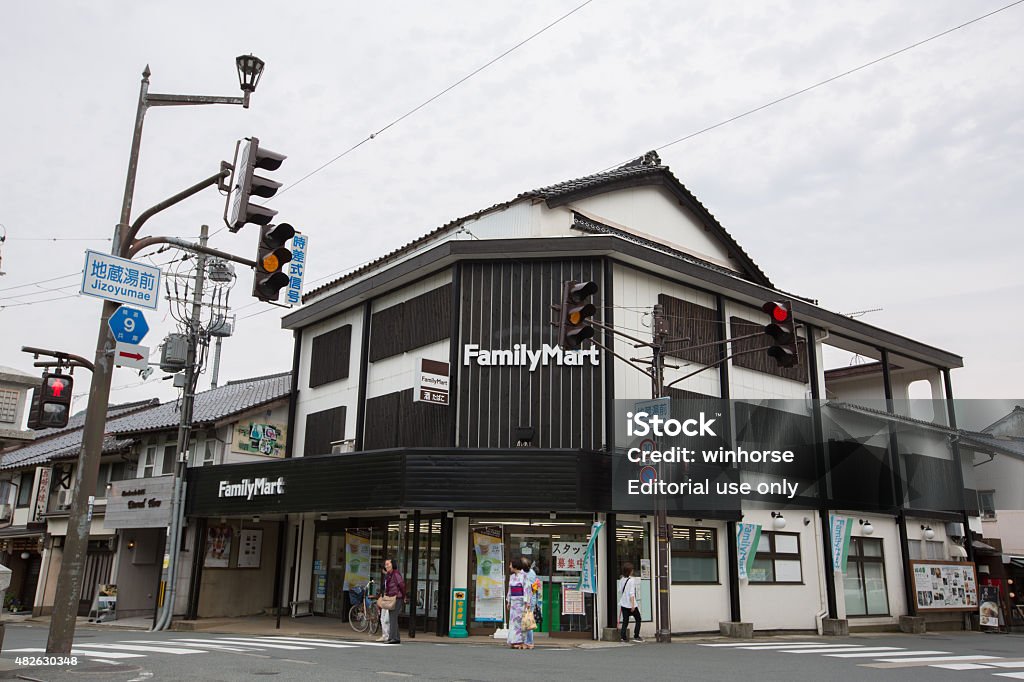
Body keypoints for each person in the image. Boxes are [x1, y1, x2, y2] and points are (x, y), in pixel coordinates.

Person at [506, 558, 529, 649]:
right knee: (512, 622)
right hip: (514, 602)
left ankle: (519, 641)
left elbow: (526, 589)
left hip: (520, 602)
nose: (509, 566)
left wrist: (527, 602)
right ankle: (513, 640)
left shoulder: (524, 576)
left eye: (511, 564)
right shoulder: (512, 577)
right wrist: (509, 601)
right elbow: (510, 589)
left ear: (515, 566)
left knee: (519, 622)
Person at [382, 558, 406, 644]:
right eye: (386, 564)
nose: (386, 566)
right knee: (393, 618)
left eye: (388, 564)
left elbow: (401, 585)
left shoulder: (395, 574)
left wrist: (403, 596)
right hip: (393, 598)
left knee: (393, 618)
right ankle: (396, 637)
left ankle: (393, 638)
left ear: (393, 565)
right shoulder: (389, 574)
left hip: (396, 598)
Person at [619, 562, 643, 643]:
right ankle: (636, 636)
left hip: (623, 603)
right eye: (631, 570)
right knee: (638, 619)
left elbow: (620, 591)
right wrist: (632, 605)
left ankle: (623, 637)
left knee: (625, 621)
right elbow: (631, 594)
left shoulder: (621, 580)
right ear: (629, 571)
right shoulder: (631, 580)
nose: (632, 571)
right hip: (630, 604)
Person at [521, 557, 539, 650]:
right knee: (528, 620)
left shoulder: (524, 574)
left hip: (528, 600)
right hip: (532, 599)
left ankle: (528, 642)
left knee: (527, 621)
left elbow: (526, 588)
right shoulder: (532, 572)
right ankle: (528, 642)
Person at [378, 569, 390, 642]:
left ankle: (388, 635)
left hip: (391, 600)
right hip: (385, 599)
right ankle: (384, 635)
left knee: (386, 619)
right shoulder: (386, 578)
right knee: (382, 618)